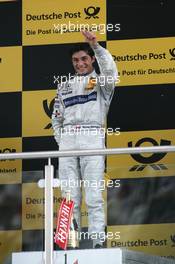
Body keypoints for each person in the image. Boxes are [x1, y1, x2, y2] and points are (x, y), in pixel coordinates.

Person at [52, 31, 118, 248]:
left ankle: (98, 243)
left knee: (93, 195)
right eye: (75, 60)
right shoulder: (63, 86)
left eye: (83, 59)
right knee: (69, 196)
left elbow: (110, 69)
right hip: (68, 141)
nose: (79, 63)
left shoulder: (102, 82)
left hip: (92, 136)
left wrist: (97, 46)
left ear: (91, 60)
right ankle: (70, 245)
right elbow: (56, 119)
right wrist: (62, 141)